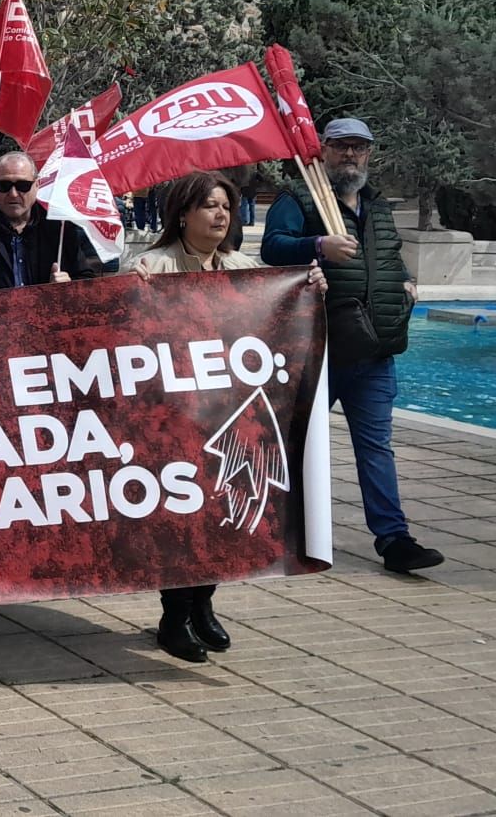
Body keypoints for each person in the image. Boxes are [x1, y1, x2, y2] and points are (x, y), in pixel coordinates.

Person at [129, 170, 325, 663]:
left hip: (230, 416)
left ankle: (202, 604)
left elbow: (275, 320)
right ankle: (174, 616)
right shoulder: (151, 265)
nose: (221, 215)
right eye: (210, 206)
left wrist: (306, 288)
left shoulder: (245, 267)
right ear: (182, 214)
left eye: (226, 207)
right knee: (181, 519)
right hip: (171, 421)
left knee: (224, 513)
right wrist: (131, 290)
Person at [262, 117, 443, 575]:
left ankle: (394, 539)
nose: (351, 155)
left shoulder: (376, 207)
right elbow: (272, 247)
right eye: (342, 147)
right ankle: (273, 528)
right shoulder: (299, 197)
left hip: (374, 350)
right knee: (294, 444)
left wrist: (404, 280)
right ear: (323, 150)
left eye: (359, 148)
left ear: (369, 154)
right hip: (316, 348)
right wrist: (319, 244)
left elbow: (388, 256)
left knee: (376, 448)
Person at [0, 150, 102, 291]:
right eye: (4, 185)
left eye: (23, 185)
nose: (13, 194)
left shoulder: (59, 229)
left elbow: (87, 280)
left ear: (37, 185)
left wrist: (68, 286)